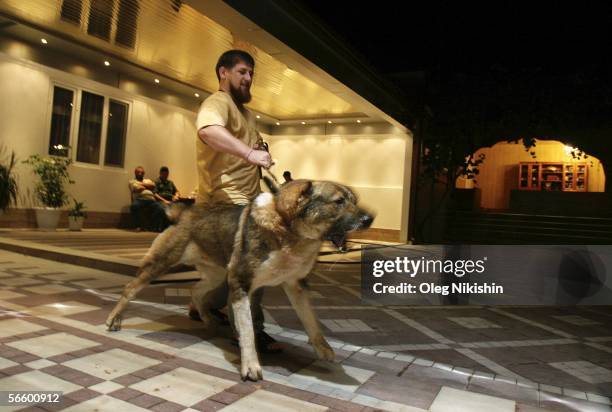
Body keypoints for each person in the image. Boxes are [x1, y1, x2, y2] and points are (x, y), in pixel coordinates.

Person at [191, 49, 282, 353]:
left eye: (251, 73)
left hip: (247, 201)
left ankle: (202, 303)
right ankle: (249, 334)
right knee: (251, 266)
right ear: (223, 73)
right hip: (223, 202)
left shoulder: (245, 114)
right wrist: (249, 152)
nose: (248, 78)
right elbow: (208, 131)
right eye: (242, 72)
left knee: (235, 269)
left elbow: (247, 154)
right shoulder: (217, 103)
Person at [129, 166, 167, 232]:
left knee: (160, 208)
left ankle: (151, 226)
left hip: (151, 200)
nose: (140, 174)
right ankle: (139, 226)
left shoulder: (148, 180)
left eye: (142, 172)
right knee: (134, 206)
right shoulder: (132, 181)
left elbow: (153, 185)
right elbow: (138, 189)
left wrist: (141, 184)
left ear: (144, 173)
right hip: (140, 199)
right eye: (138, 172)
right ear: (135, 173)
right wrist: (147, 186)